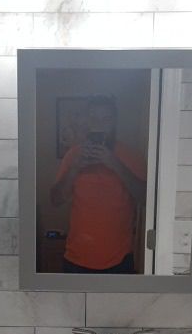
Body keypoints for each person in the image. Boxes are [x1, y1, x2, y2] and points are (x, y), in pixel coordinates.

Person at [50, 95, 147, 273]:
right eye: (94, 118)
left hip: (119, 260)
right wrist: (74, 169)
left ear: (114, 122)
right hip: (76, 259)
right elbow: (55, 200)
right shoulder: (73, 155)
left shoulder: (131, 156)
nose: (99, 124)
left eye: (106, 119)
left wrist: (115, 164)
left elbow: (144, 198)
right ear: (87, 122)